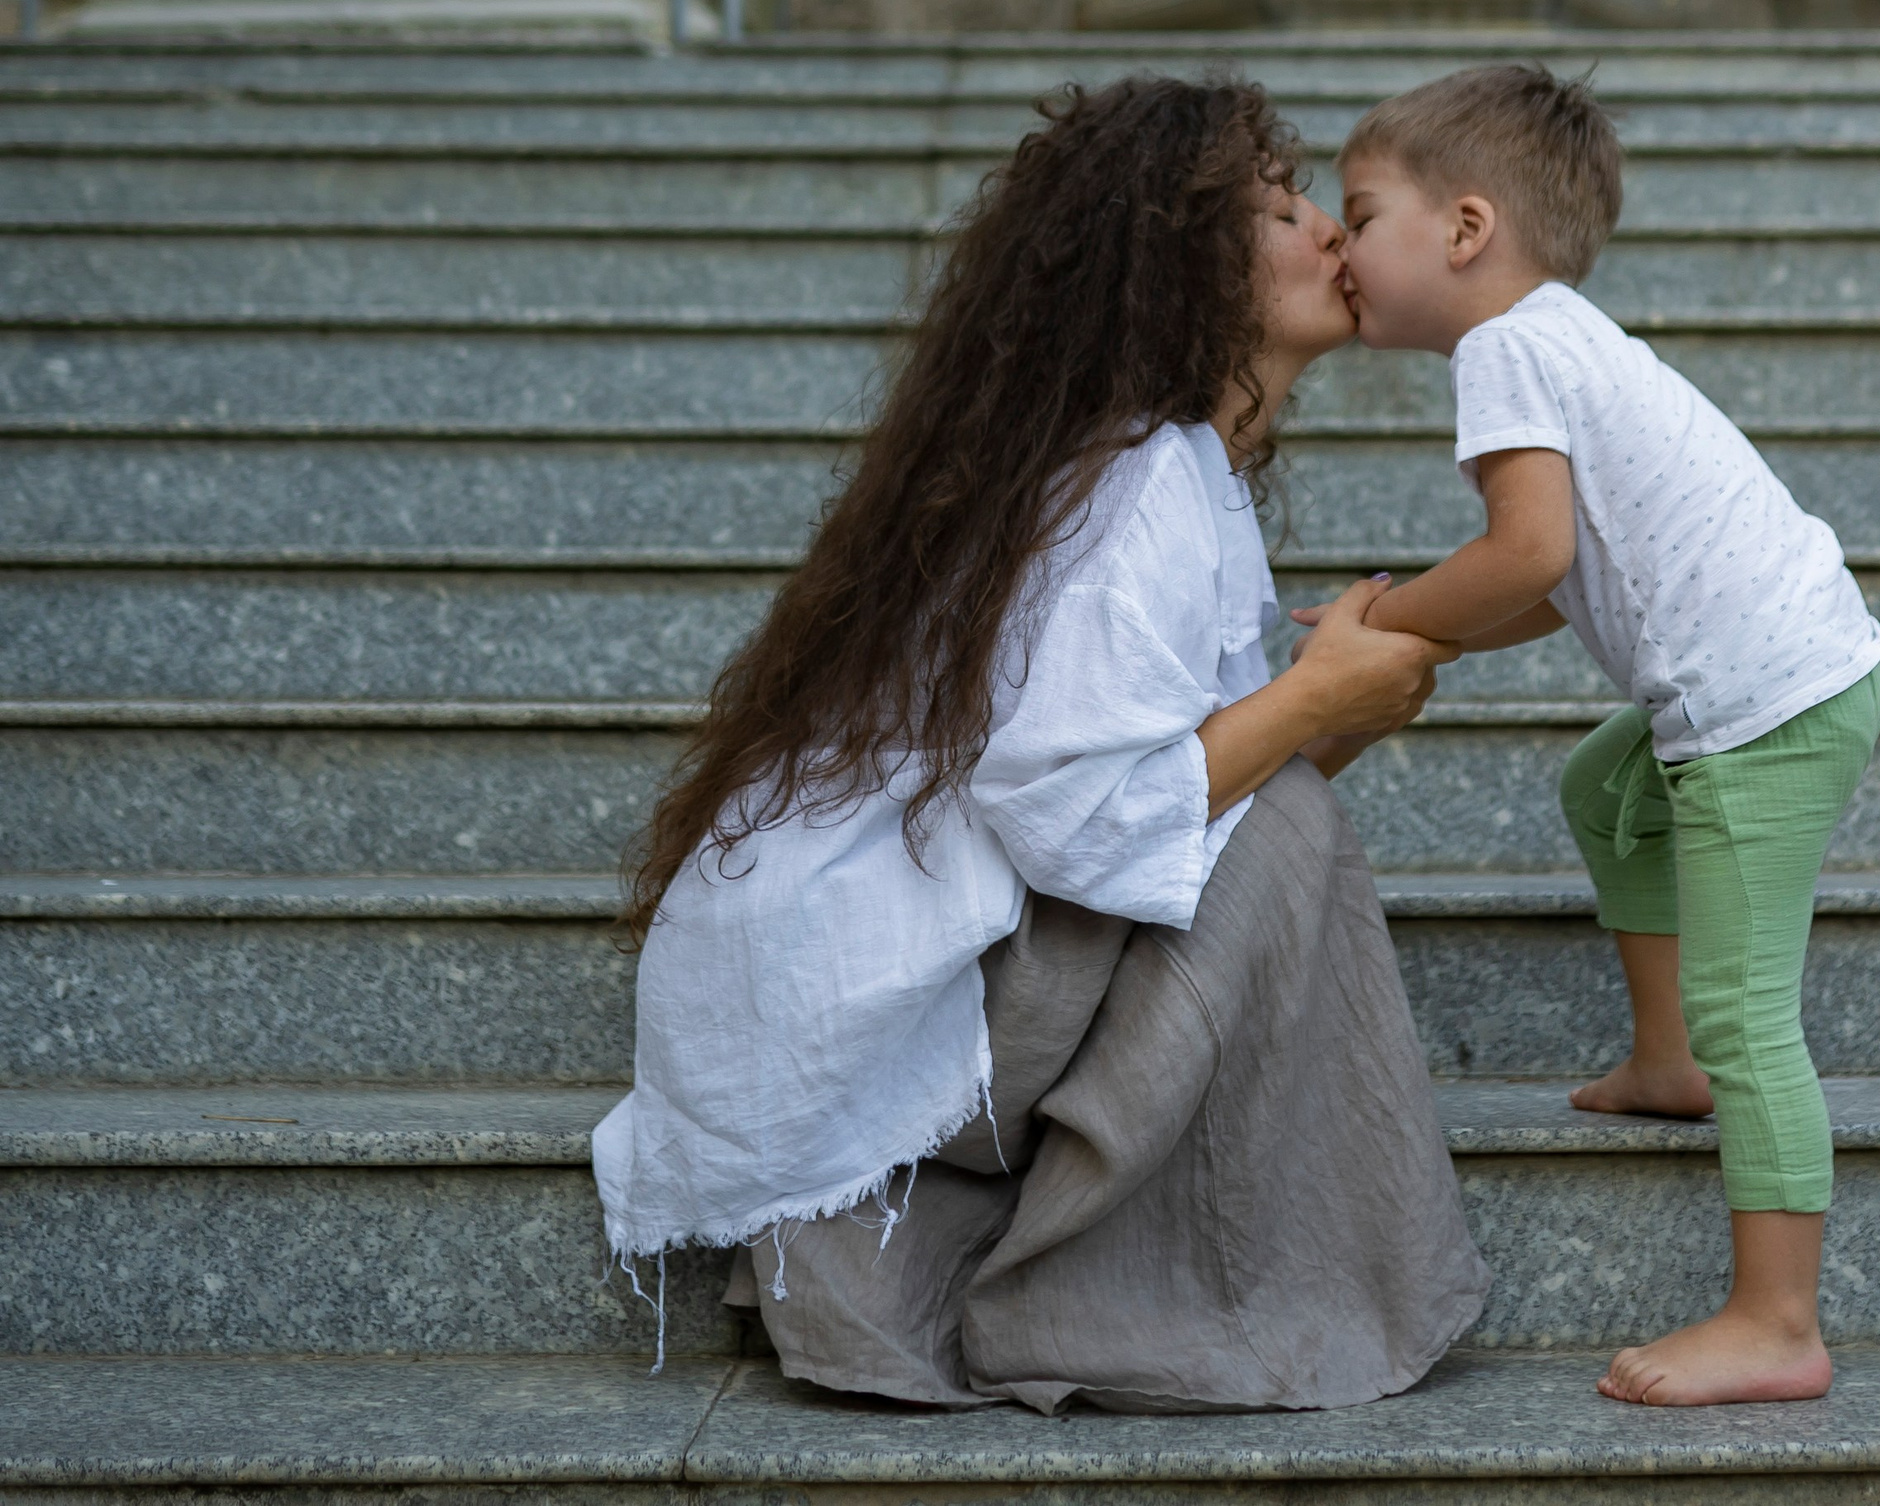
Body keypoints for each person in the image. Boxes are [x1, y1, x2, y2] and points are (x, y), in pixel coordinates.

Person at [597, 72, 1484, 1411]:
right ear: (1177, 258)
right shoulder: (1132, 487)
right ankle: (1086, 1290)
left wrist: (1327, 703)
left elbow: (1194, 807)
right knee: (1290, 820)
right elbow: (1080, 817)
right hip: (902, 1004)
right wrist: (1312, 702)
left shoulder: (1175, 471)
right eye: (1284, 205)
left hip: (953, 966)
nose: (1327, 233)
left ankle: (1102, 1259)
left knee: (1283, 817)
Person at [1332, 60, 1880, 1411]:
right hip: (1779, 668)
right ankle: (1664, 1062)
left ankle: (1777, 1317)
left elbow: (1525, 547)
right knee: (1604, 786)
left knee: (1753, 1012)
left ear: (1464, 229)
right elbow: (1554, 573)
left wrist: (1390, 617)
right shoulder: (1559, 331)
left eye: (1356, 212)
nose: (1336, 244)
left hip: (1766, 706)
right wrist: (1429, 631)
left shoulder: (1508, 347)